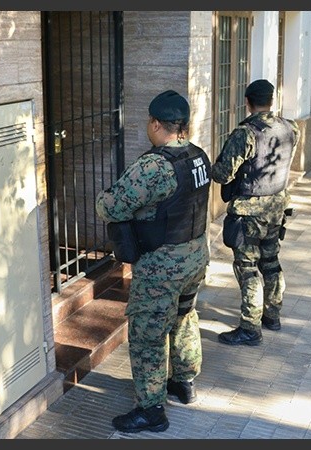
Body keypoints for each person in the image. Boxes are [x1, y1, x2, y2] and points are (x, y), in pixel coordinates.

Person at [95, 90, 211, 432]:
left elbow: (110, 206)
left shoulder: (154, 165)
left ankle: (151, 410)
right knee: (184, 317)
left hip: (163, 267)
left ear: (155, 123)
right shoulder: (198, 156)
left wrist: (105, 198)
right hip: (194, 258)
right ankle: (184, 383)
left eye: (149, 122)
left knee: (147, 334)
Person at [212, 79, 300, 346]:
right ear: (272, 101)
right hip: (277, 207)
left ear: (247, 102)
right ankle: (272, 316)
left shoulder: (246, 133)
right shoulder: (291, 127)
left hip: (250, 212)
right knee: (271, 262)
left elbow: (222, 173)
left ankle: (250, 328)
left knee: (248, 267)